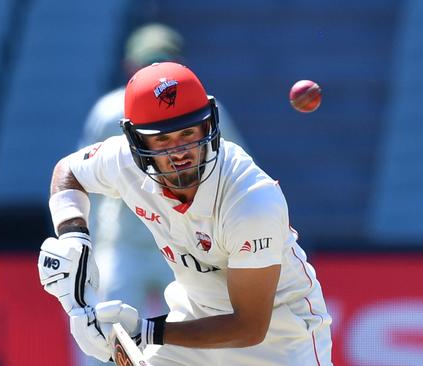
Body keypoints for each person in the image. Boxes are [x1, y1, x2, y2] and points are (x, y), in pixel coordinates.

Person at [38, 62, 333, 365]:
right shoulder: (122, 160)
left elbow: (249, 327)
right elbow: (68, 171)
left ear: (208, 126)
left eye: (187, 133)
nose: (179, 152)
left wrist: (145, 331)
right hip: (194, 321)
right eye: (162, 139)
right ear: (136, 141)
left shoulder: (251, 200)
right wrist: (74, 236)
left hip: (280, 338)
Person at [80, 23, 247, 323]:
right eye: (147, 61)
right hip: (125, 244)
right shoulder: (108, 113)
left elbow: (234, 171)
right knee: (107, 338)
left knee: (198, 339)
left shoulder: (205, 109)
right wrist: (86, 246)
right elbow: (84, 182)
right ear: (130, 65)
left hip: (186, 242)